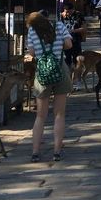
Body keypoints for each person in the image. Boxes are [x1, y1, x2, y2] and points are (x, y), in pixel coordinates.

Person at [27, 11, 73, 162]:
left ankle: (35, 152)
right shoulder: (59, 26)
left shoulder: (32, 31)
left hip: (42, 73)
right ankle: (57, 152)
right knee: (59, 114)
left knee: (40, 115)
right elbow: (68, 44)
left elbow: (32, 52)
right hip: (60, 69)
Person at [60, 1, 84, 68]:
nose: (66, 12)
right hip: (66, 41)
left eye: (67, 10)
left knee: (77, 59)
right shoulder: (61, 16)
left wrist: (73, 30)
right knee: (67, 59)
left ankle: (76, 75)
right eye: (64, 10)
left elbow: (83, 28)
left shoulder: (78, 15)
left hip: (76, 40)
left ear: (72, 9)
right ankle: (69, 74)